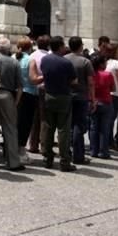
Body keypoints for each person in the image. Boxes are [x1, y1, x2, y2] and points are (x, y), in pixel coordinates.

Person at [35, 36, 78, 171]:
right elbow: (74, 81)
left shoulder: (45, 60)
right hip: (63, 96)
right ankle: (64, 161)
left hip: (49, 95)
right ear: (60, 46)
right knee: (63, 130)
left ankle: (47, 158)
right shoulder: (66, 63)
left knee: (48, 127)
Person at [0, 38, 24, 170]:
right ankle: (13, 161)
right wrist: (16, 101)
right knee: (10, 128)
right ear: (8, 49)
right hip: (7, 95)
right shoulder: (14, 62)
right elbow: (19, 86)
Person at [64, 36, 94, 164]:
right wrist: (92, 99)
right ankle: (78, 155)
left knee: (67, 125)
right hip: (81, 96)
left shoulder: (64, 60)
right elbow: (91, 82)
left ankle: (67, 152)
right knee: (78, 126)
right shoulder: (85, 62)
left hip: (67, 95)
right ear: (81, 46)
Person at [15, 37, 38, 159]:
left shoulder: (13, 58)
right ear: (30, 47)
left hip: (14, 93)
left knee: (14, 122)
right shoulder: (30, 60)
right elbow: (33, 79)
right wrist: (43, 77)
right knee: (25, 124)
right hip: (28, 94)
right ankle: (21, 151)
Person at [89, 55, 115, 159]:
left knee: (94, 127)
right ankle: (103, 151)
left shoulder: (91, 74)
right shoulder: (107, 74)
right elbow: (112, 88)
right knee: (104, 128)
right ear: (101, 64)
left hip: (94, 101)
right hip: (106, 101)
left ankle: (93, 150)